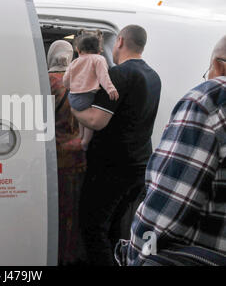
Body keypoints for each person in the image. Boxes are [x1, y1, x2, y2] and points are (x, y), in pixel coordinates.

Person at [115, 35, 226, 266]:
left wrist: (135, 257)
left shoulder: (211, 100)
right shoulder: (151, 76)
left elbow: (162, 218)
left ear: (218, 65)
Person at [72, 25, 162, 265]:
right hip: (139, 167)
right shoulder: (153, 76)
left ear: (119, 41)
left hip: (112, 169)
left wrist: (73, 107)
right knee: (113, 227)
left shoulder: (119, 75)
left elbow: (96, 121)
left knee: (92, 227)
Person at [47, 40, 87, 265]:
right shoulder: (82, 82)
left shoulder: (48, 84)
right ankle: (71, 257)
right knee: (74, 212)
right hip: (79, 158)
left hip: (56, 158)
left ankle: (56, 256)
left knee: (57, 212)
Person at [63, 31, 119, 151]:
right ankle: (85, 141)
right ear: (99, 50)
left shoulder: (74, 62)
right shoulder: (98, 59)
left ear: (78, 50)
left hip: (73, 97)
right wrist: (110, 88)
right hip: (86, 96)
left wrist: (68, 87)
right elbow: (103, 76)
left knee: (82, 116)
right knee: (89, 120)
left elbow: (66, 79)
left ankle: (80, 135)